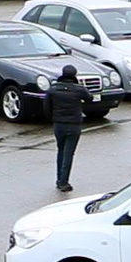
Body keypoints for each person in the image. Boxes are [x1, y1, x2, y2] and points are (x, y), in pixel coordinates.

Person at [47, 64, 92, 192]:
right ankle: (64, 182)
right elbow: (89, 99)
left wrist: (54, 118)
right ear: (74, 75)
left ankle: (59, 179)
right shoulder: (79, 89)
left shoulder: (53, 89)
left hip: (58, 124)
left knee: (60, 151)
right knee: (69, 153)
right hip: (74, 125)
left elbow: (47, 108)